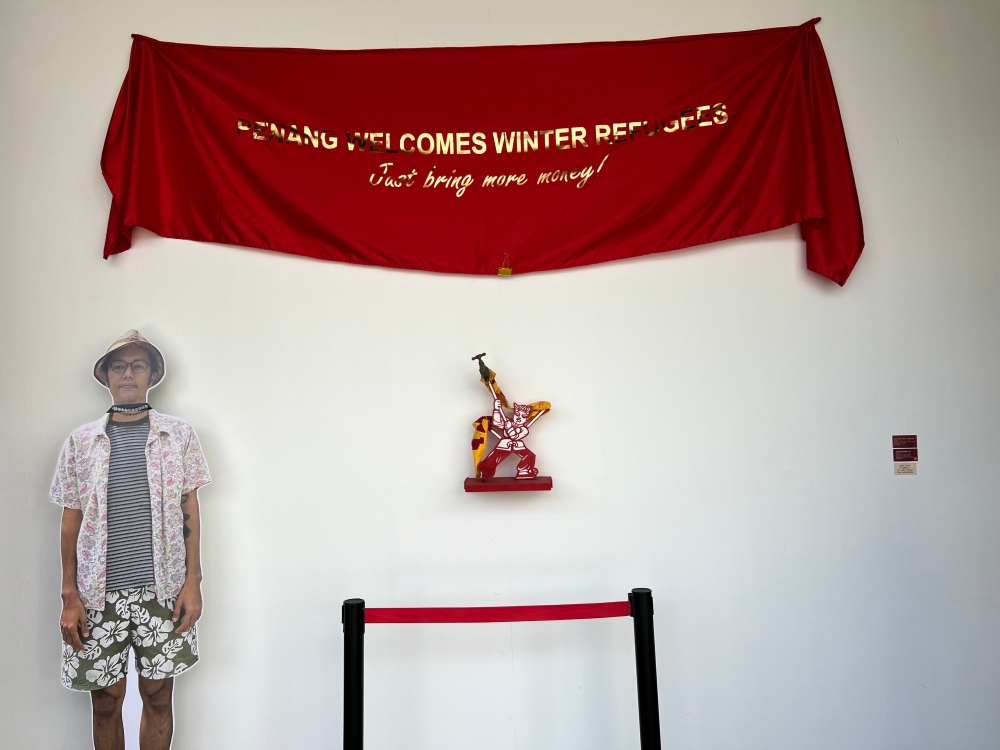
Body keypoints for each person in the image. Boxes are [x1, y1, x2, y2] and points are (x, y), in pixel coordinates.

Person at [50, 330, 211, 750]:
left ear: (152, 374)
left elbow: (189, 507)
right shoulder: (81, 442)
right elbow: (71, 517)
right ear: (105, 375)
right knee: (106, 700)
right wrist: (69, 593)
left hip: (163, 589)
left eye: (138, 365)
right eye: (119, 365)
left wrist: (193, 582)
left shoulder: (178, 435)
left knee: (158, 695)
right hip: (95, 594)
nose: (128, 373)